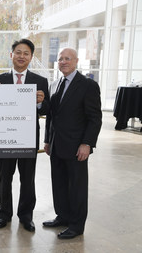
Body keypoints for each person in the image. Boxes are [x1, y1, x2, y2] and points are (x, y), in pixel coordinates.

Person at [43, 48, 102, 239]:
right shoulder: (54, 84)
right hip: (56, 145)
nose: (63, 62)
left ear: (76, 61)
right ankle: (63, 216)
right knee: (58, 183)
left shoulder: (88, 85)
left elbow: (94, 118)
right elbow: (51, 116)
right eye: (60, 59)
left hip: (77, 147)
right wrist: (47, 140)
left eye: (67, 58)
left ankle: (76, 226)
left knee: (76, 187)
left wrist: (87, 143)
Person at [0, 39, 49, 232]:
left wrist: (40, 103)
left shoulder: (40, 81)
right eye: (18, 52)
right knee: (4, 177)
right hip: (5, 137)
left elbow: (48, 109)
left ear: (31, 57)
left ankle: (26, 216)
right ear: (11, 55)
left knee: (27, 178)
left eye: (26, 53)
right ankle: (4, 214)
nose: (22, 56)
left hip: (27, 137)